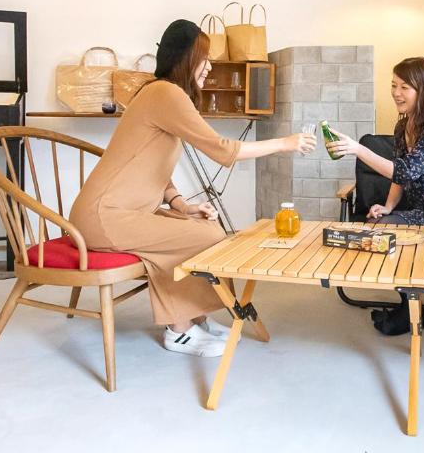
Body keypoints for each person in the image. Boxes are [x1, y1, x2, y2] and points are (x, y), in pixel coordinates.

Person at [70, 20, 315, 356]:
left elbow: (151, 166)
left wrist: (181, 205)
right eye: (205, 57)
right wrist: (284, 143)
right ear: (186, 58)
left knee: (202, 225)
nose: (210, 65)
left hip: (122, 213)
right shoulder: (165, 93)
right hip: (104, 217)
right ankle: (179, 330)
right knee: (206, 237)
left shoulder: (159, 94)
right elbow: (223, 149)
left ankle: (195, 318)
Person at [326, 56, 424, 334]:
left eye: (404, 86)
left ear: (423, 88)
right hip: (417, 210)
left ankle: (410, 312)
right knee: (378, 227)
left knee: (382, 234)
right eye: (393, 85)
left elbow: (405, 171)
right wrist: (389, 206)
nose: (396, 93)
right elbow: (399, 175)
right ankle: (410, 309)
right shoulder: (403, 127)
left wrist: (358, 149)